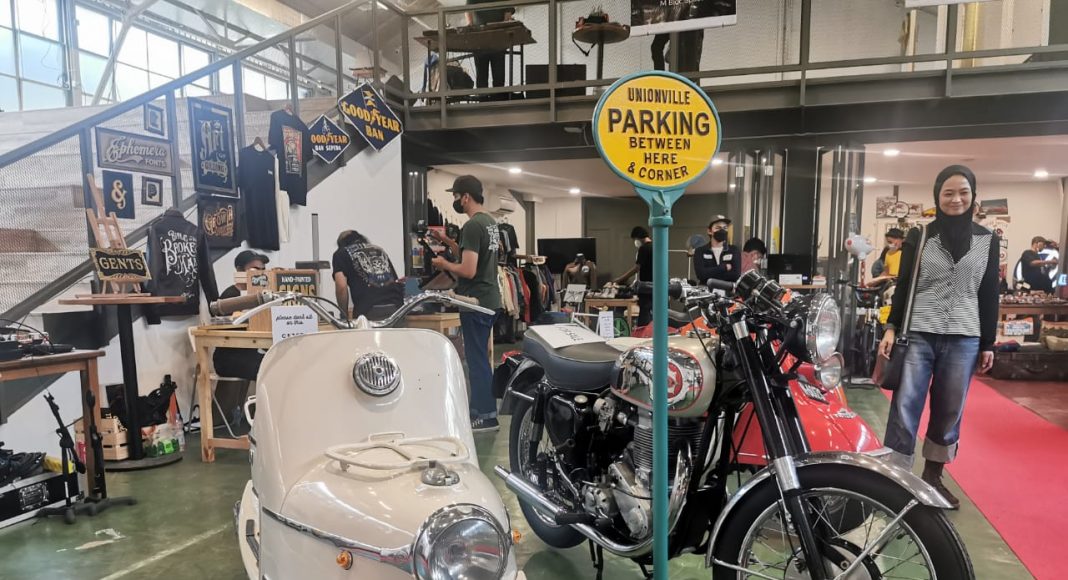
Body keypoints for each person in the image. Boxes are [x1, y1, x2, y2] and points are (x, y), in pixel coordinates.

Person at [878, 165, 1000, 509]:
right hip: (919, 332)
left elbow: (989, 294)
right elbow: (904, 285)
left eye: (963, 192)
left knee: (949, 409)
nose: (956, 199)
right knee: (906, 406)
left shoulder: (988, 240)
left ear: (973, 196)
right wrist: (891, 327)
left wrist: (988, 342)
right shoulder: (920, 235)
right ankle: (897, 480)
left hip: (964, 336)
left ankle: (932, 477)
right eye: (948, 192)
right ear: (937, 196)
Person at [431, 175, 502, 432]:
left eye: (456, 196)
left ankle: (485, 415)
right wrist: (449, 243)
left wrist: (444, 264)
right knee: (480, 357)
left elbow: (469, 270)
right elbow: (476, 258)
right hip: (490, 299)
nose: (455, 200)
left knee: (477, 360)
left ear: (466, 197)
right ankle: (484, 411)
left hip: (476, 301)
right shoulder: (490, 223)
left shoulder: (472, 226)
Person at [213, 250, 270, 381]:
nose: (259, 274)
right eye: (254, 269)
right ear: (239, 270)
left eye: (263, 270)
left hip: (250, 354)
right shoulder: (230, 297)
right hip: (229, 359)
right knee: (271, 368)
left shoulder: (261, 295)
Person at [332, 230, 404, 321]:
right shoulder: (379, 249)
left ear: (341, 243)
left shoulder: (341, 253)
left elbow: (341, 287)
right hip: (397, 307)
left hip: (369, 310)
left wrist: (344, 315)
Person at [466, 0, 514, 94]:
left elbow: (508, 13)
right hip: (481, 40)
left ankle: (497, 99)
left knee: (497, 76)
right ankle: (484, 99)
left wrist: (506, 23)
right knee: (483, 76)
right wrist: (470, 25)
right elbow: (467, 10)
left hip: (497, 40)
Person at [613, 227, 654, 326]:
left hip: (646, 287)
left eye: (635, 239)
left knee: (644, 315)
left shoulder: (644, 248)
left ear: (638, 237)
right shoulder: (655, 246)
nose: (635, 242)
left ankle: (642, 332)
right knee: (652, 314)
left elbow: (636, 268)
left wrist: (620, 279)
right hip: (655, 287)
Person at [693, 215, 741, 286]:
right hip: (707, 290)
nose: (722, 230)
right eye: (718, 228)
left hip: (728, 291)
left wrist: (710, 274)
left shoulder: (734, 250)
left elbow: (735, 275)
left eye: (725, 228)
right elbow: (701, 275)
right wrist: (724, 267)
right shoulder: (700, 251)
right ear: (709, 231)